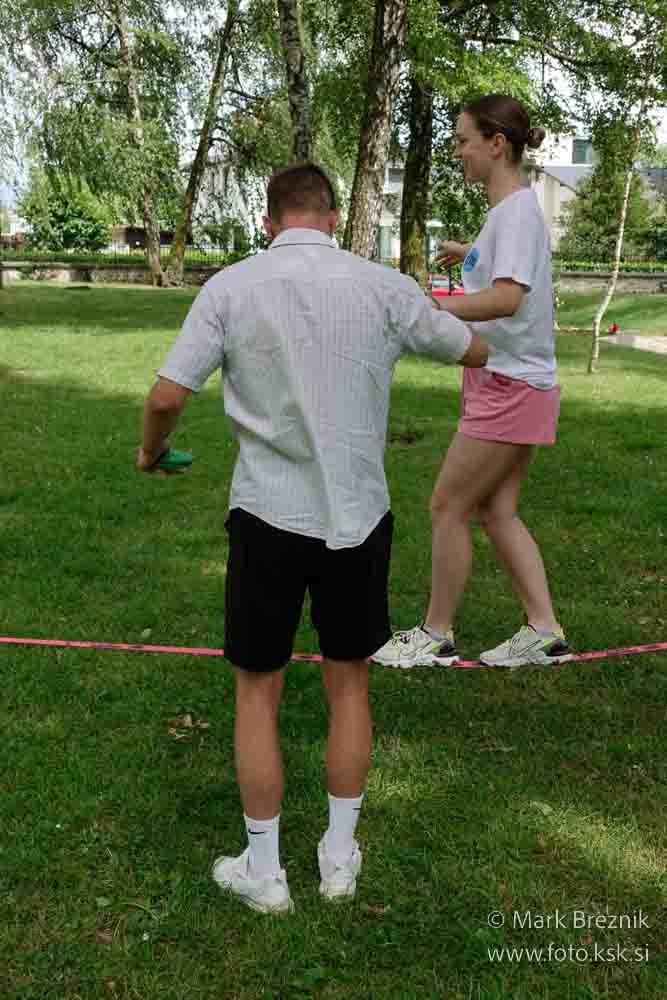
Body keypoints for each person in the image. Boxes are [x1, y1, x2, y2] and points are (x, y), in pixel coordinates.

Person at [136, 162, 488, 915]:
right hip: (357, 518)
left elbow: (166, 396)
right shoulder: (382, 286)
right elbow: (471, 347)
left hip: (266, 517)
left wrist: (150, 450)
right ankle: (336, 860)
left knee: (257, 691)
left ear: (269, 222)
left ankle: (267, 871)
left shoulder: (231, 286)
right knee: (348, 684)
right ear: (331, 218)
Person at [372, 94, 571, 672]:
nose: (458, 151)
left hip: (511, 385)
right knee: (496, 511)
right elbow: (504, 269)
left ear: (496, 144)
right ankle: (545, 632)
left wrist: (433, 305)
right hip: (510, 382)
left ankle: (436, 635)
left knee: (448, 505)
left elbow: (508, 298)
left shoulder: (515, 213)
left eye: (463, 141)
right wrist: (470, 253)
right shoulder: (507, 212)